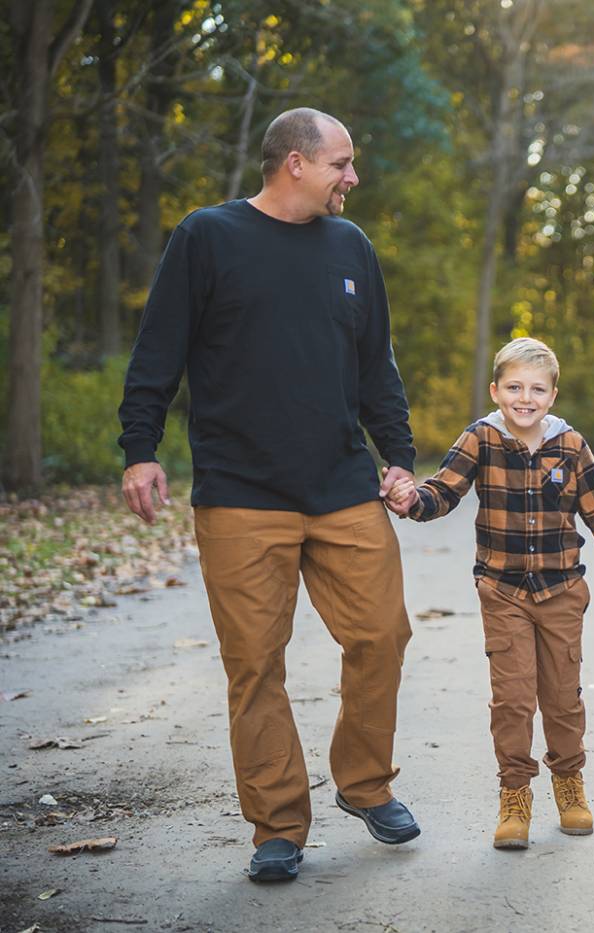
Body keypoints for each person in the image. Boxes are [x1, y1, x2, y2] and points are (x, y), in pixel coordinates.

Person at [117, 107, 421, 883]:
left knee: (382, 634)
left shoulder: (351, 246)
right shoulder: (207, 237)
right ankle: (279, 826)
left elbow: (376, 364)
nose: (352, 177)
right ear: (295, 162)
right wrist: (140, 450)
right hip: (240, 492)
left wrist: (398, 456)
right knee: (255, 664)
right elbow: (159, 349)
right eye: (341, 163)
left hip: (343, 485)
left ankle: (364, 783)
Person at [385, 337, 594, 850]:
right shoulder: (481, 438)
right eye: (514, 387)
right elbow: (443, 491)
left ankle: (569, 783)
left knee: (562, 698)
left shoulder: (570, 446)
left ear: (552, 395)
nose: (525, 398)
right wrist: (412, 501)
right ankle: (514, 793)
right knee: (512, 700)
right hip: (503, 591)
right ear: (495, 391)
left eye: (536, 389)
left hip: (561, 591)